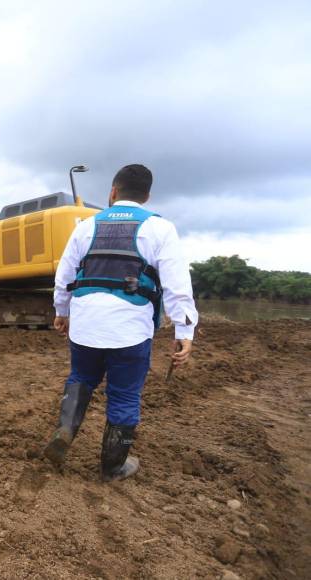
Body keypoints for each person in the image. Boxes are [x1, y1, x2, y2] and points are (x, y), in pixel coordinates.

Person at [45, 164, 198, 481]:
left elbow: (65, 277)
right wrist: (184, 331)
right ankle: (112, 466)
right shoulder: (161, 229)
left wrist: (62, 312)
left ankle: (64, 430)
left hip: (85, 325)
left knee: (81, 377)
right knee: (125, 394)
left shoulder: (85, 225)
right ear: (147, 196)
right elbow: (177, 287)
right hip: (130, 330)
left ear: (112, 192)